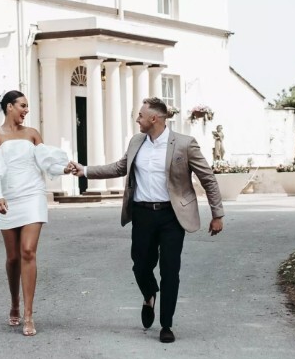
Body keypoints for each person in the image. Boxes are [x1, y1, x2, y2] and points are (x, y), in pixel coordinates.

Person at [68, 97, 224, 343]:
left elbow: (208, 178)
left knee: (170, 270)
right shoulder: (137, 141)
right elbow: (120, 167)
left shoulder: (184, 144)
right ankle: (149, 292)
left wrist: (217, 214)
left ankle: (167, 325)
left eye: (140, 115)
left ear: (154, 119)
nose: (137, 119)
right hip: (142, 213)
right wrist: (85, 170)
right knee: (140, 265)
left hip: (172, 216)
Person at [0, 90, 71, 337]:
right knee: (13, 258)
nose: (26, 110)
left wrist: (64, 168)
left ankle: (28, 314)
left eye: (27, 106)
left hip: (33, 195)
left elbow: (45, 161)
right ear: (9, 107)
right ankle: (14, 302)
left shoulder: (32, 134)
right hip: (7, 197)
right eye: (23, 106)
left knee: (28, 251)